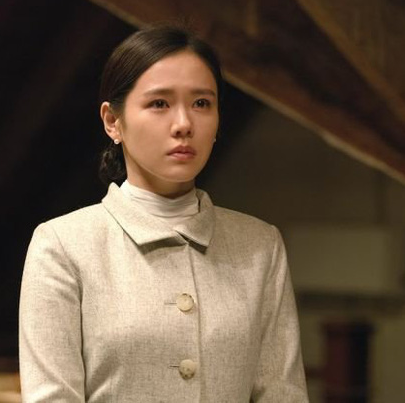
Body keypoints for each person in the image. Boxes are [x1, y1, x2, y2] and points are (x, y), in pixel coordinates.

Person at [19, 24, 308, 402]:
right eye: (159, 104)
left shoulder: (259, 245)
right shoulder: (63, 246)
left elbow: (282, 394)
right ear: (112, 121)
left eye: (201, 103)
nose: (184, 124)